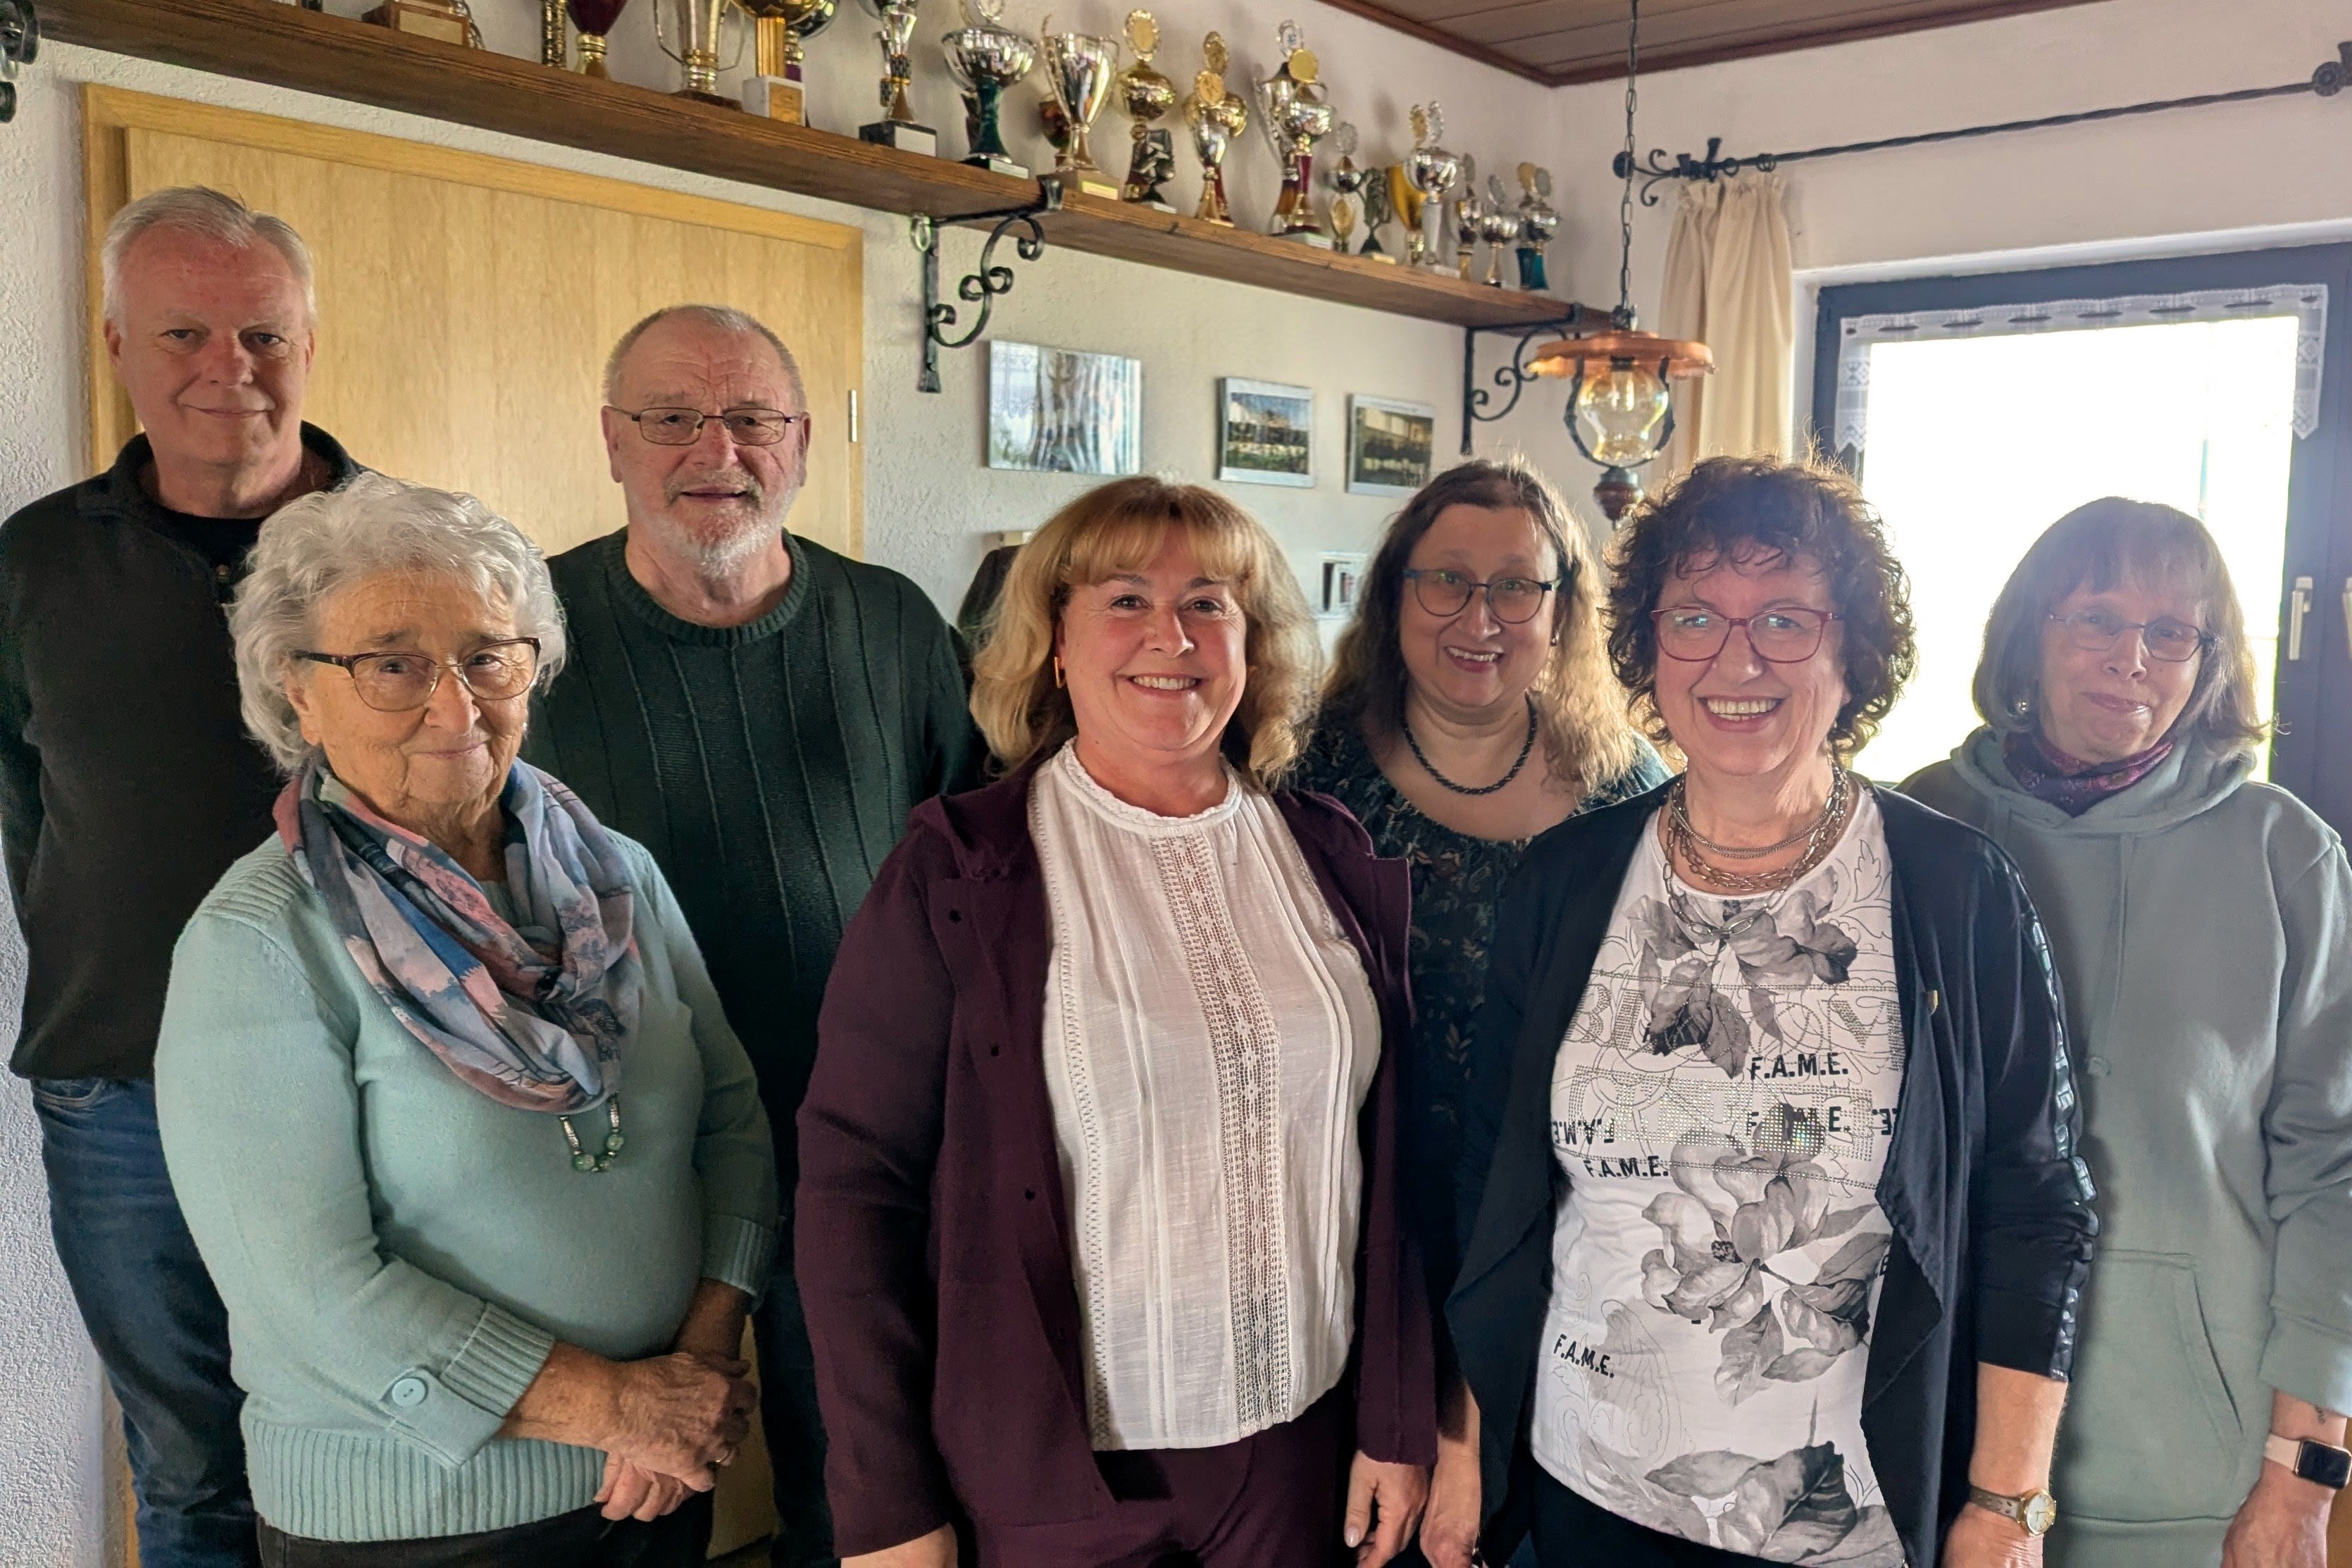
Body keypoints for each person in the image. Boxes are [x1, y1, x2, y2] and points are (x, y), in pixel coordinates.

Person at [1431, 456, 2098, 1568]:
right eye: (1694, 616)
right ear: (1650, 646)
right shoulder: (1565, 878)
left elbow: (2038, 1207)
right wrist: (1464, 1439)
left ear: (1853, 654)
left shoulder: (1954, 888)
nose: (1737, 659)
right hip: (1583, 1485)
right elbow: (1492, 1185)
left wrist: (2008, 1501)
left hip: (1851, 1514)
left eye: (1786, 618)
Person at [795, 475, 1436, 1567]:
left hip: (1302, 1450)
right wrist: (887, 1506)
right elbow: (856, 1190)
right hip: (1055, 1472)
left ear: (1253, 642)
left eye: (1209, 603)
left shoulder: (1326, 855)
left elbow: (1391, 1165)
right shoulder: (961, 870)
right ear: (1054, 641)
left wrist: (1394, 1416)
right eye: (1126, 600)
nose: (1171, 636)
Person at [152, 474, 778, 1567]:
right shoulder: (257, 942)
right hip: (422, 1524)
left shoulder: (616, 876)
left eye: (489, 654)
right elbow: (314, 1294)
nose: (455, 705)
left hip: (657, 1483)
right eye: (392, 663)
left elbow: (733, 1119)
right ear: (297, 690)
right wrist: (616, 1409)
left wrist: (699, 1361)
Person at [523, 304, 979, 1567]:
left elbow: (981, 866)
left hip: (869, 1139)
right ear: (613, 441)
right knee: (644, 1502)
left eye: (750, 418)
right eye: (671, 417)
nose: (712, 447)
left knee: (867, 1480)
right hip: (631, 1160)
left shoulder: (893, 624)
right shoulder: (524, 635)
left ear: (803, 443)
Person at [0, 185, 363, 1567]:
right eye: (185, 334)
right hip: (122, 1090)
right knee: (190, 1468)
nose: (230, 370)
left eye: (264, 333)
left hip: (381, 1077)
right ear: (116, 347)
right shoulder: (35, 563)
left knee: (382, 1438)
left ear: (310, 342)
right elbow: (30, 806)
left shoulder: (412, 547)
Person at [1903, 498, 2352, 1568]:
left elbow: (2336, 1174)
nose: (2132, 659)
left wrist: (2304, 1474)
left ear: (2211, 660)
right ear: (2029, 636)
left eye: (2172, 632)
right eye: (2095, 619)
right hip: (1940, 1446)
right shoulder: (1920, 828)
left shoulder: (2286, 855)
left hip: (2203, 1470)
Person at [1295, 458, 1664, 1568]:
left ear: (1563, 611)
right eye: (1446, 580)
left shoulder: (1630, 791)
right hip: (1358, 1237)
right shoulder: (1304, 777)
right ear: (1394, 594)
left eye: (1518, 587)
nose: (1480, 616)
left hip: (1565, 1247)